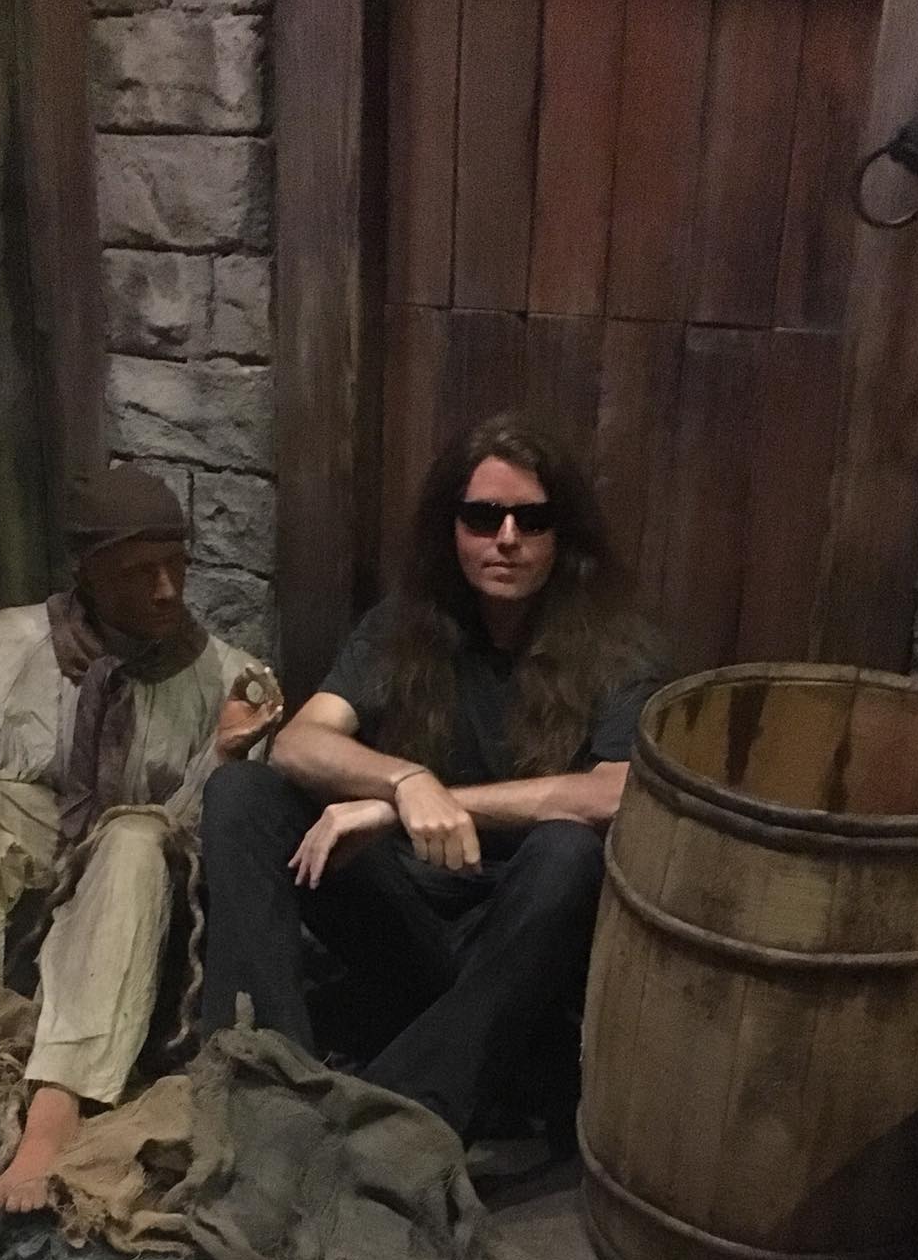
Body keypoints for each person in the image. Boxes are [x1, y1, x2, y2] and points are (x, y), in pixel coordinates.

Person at [199, 411, 663, 1145]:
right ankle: (264, 1083)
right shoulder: (405, 627)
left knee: (569, 850)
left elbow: (616, 793)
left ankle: (393, 1116)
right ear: (452, 528)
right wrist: (405, 781)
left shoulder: (617, 648)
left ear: (561, 534)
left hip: (522, 941)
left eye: (531, 519)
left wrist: (420, 805)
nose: (506, 537)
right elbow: (299, 742)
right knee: (242, 793)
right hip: (406, 918)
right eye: (482, 517)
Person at [0, 463, 280, 1210]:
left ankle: (58, 1106)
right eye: (139, 573)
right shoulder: (14, 642)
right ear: (89, 574)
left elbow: (211, 837)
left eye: (176, 566)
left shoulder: (227, 677)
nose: (167, 590)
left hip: (144, 870)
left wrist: (222, 754)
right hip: (48, 830)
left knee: (133, 837)